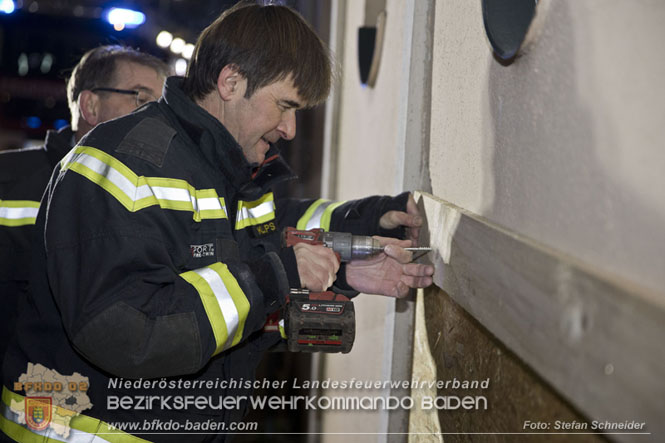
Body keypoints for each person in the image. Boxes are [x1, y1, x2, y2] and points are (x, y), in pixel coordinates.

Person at [0, 4, 433, 443]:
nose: (291, 128)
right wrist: (277, 276)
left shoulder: (229, 175)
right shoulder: (121, 165)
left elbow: (238, 292)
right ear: (231, 82)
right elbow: (128, 331)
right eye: (285, 106)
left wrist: (347, 261)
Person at [0, 45, 169, 367]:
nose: (157, 119)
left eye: (162, 107)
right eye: (142, 99)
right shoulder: (6, 182)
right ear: (90, 105)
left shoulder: (164, 199)